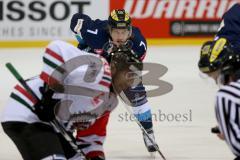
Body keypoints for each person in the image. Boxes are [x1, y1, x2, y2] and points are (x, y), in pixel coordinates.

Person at [1, 40, 143, 160]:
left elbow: (91, 137)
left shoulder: (110, 101)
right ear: (114, 67)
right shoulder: (98, 69)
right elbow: (56, 48)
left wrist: (95, 156)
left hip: (55, 127)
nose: (131, 82)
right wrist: (50, 95)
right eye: (129, 74)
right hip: (28, 113)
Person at [70, 9, 158, 154]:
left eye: (124, 32)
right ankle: (72, 130)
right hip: (92, 66)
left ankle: (148, 131)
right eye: (116, 31)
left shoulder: (139, 45)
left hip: (120, 69)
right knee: (85, 98)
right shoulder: (95, 32)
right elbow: (77, 18)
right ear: (109, 29)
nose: (120, 36)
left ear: (130, 31)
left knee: (137, 95)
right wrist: (81, 34)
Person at [198, 37, 240, 160]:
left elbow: (237, 146)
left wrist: (229, 133)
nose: (216, 81)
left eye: (215, 76)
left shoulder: (226, 95)